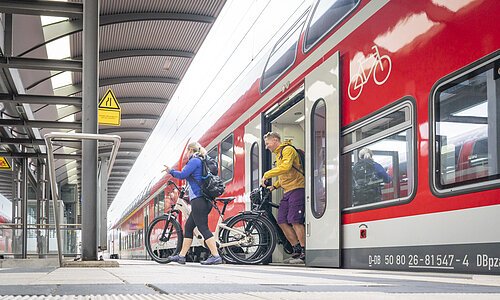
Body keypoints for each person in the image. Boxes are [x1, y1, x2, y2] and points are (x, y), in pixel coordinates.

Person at [163, 142, 222, 265]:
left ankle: (216, 255)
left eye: (186, 151)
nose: (185, 153)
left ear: (190, 150)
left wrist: (171, 171)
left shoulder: (194, 161)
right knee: (188, 227)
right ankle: (181, 256)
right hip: (202, 199)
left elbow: (183, 175)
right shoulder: (200, 161)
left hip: (199, 200)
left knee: (202, 227)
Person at [260, 132, 305, 262]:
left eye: (267, 143)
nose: (266, 147)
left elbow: (286, 168)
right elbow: (285, 176)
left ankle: (304, 251)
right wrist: (274, 186)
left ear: (275, 140)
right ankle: (296, 249)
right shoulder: (279, 155)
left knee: (295, 220)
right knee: (281, 220)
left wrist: (266, 174)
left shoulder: (288, 150)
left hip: (297, 188)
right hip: (287, 191)